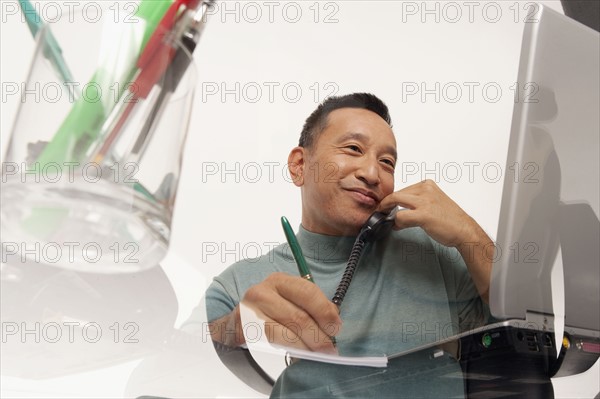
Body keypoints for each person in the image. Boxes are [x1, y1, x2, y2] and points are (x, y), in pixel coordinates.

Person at [203, 93, 495, 397]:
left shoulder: (434, 253)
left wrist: (469, 234)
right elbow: (177, 356)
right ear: (299, 165)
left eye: (387, 163)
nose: (371, 174)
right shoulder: (237, 284)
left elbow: (526, 332)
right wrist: (235, 327)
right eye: (353, 148)